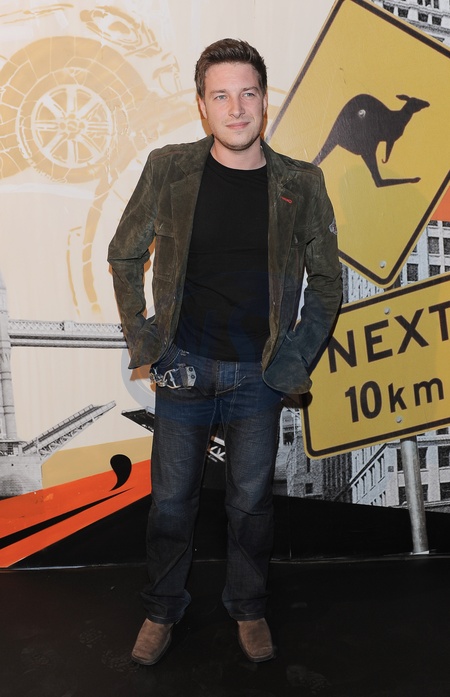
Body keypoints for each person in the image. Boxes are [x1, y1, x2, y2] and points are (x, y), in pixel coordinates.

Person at [108, 38, 342, 666]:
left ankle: (248, 606)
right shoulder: (169, 169)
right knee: (170, 506)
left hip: (257, 377)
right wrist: (144, 339)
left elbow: (328, 285)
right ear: (202, 104)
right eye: (221, 96)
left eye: (247, 94)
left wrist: (292, 362)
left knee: (251, 506)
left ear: (264, 101)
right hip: (181, 369)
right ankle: (162, 609)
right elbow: (124, 253)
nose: (236, 108)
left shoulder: (302, 183)